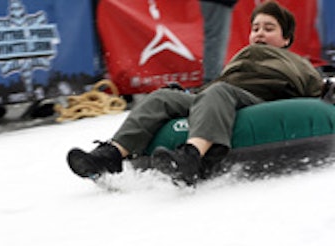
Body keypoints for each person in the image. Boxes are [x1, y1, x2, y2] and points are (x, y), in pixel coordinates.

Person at [67, 1, 323, 186]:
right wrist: (189, 93)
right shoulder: (241, 56)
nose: (260, 33)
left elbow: (318, 89)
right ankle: (110, 155)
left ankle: (191, 157)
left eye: (269, 28)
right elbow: (218, 85)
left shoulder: (297, 63)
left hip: (256, 100)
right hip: (219, 94)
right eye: (256, 28)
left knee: (220, 91)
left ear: (286, 38)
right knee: (162, 97)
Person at [200, 0, 238, 84]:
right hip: (219, 3)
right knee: (217, 38)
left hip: (218, 3)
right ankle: (212, 79)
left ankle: (212, 78)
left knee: (216, 37)